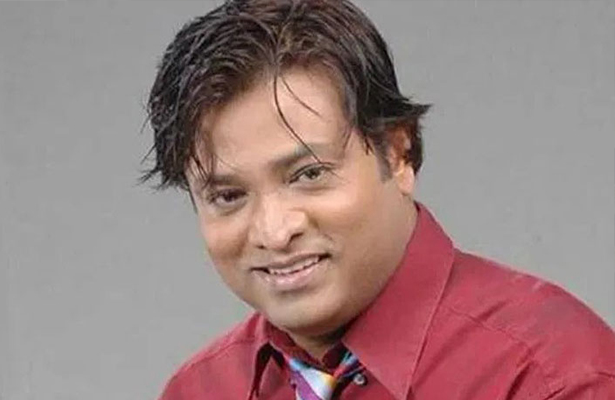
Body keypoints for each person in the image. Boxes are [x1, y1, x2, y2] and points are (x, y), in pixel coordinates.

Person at [143, 0, 615, 398]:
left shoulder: (550, 376)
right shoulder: (201, 390)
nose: (274, 231)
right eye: (228, 195)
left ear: (398, 154)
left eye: (309, 174)